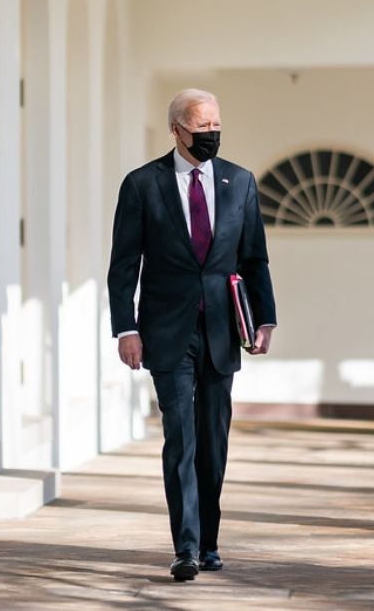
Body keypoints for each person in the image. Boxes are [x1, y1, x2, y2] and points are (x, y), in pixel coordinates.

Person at [107, 88, 277, 582]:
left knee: (213, 441)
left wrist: (264, 319)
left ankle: (209, 541)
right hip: (166, 332)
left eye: (216, 126)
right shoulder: (142, 184)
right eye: (202, 128)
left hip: (223, 330)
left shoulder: (240, 182)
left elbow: (254, 258)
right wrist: (126, 328)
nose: (211, 136)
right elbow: (124, 265)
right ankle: (184, 547)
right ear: (176, 129)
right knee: (180, 437)